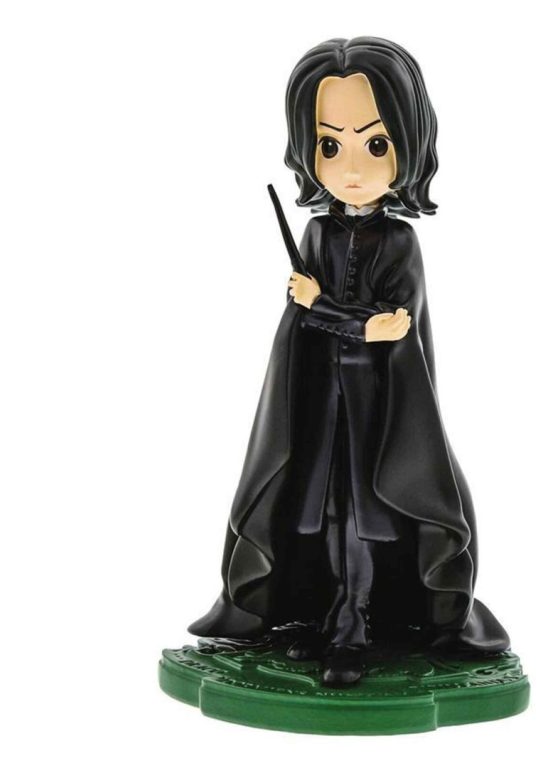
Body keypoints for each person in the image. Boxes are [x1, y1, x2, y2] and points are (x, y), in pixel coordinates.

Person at [188, 36, 511, 687]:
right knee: (314, 512)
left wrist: (327, 308)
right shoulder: (317, 233)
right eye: (330, 146)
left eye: (376, 144)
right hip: (319, 401)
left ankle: (354, 627)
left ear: (408, 145)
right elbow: (314, 323)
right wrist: (331, 317)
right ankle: (317, 614)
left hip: (379, 410)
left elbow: (393, 325)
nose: (353, 169)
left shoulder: (399, 242)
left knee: (369, 517)